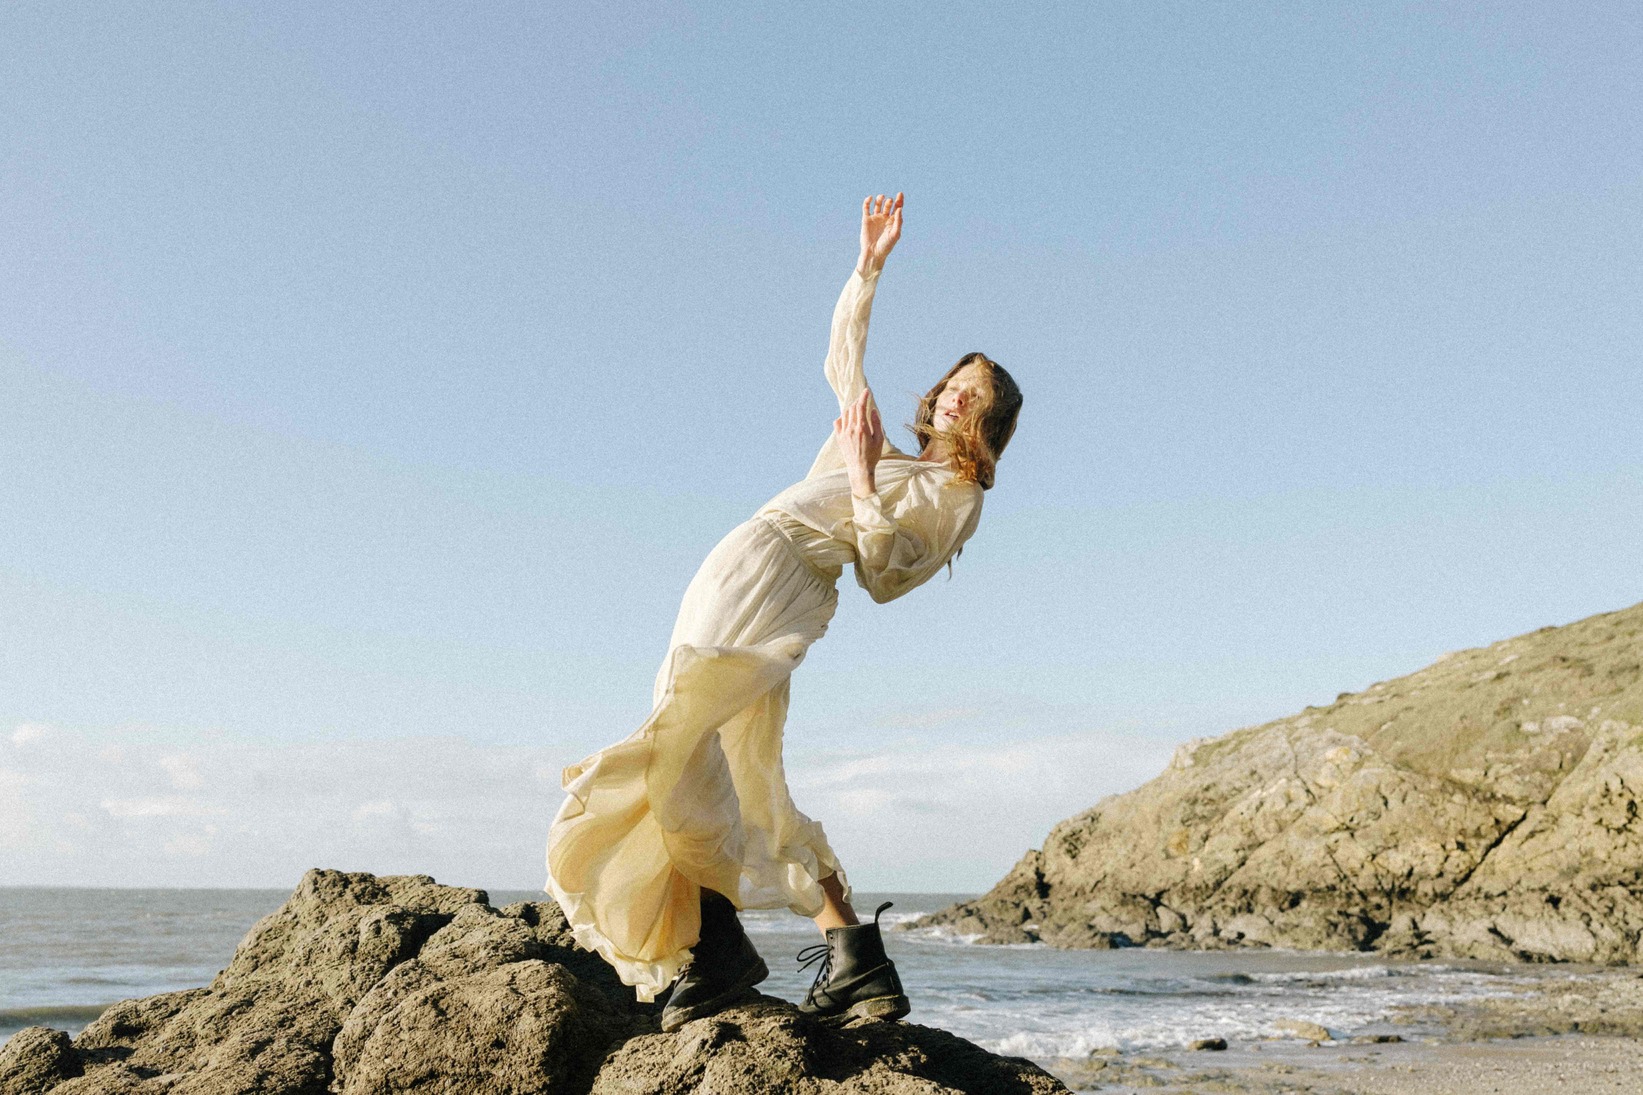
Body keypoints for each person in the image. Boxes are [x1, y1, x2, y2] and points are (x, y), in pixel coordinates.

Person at [544, 192, 1024, 1032]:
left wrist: (861, 476)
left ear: (991, 417)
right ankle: (853, 961)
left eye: (971, 392)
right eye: (951, 383)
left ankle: (721, 948)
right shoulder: (886, 446)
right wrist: (867, 267)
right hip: (745, 559)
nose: (952, 397)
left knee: (679, 737)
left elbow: (887, 574)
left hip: (783, 579)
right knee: (739, 767)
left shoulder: (955, 492)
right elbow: (843, 359)